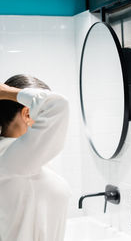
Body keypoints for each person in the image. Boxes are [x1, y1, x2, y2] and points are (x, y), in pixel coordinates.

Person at [0, 74, 70, 241]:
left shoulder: (18, 157)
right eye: (38, 107)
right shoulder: (13, 159)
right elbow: (58, 105)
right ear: (27, 113)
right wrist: (8, 92)